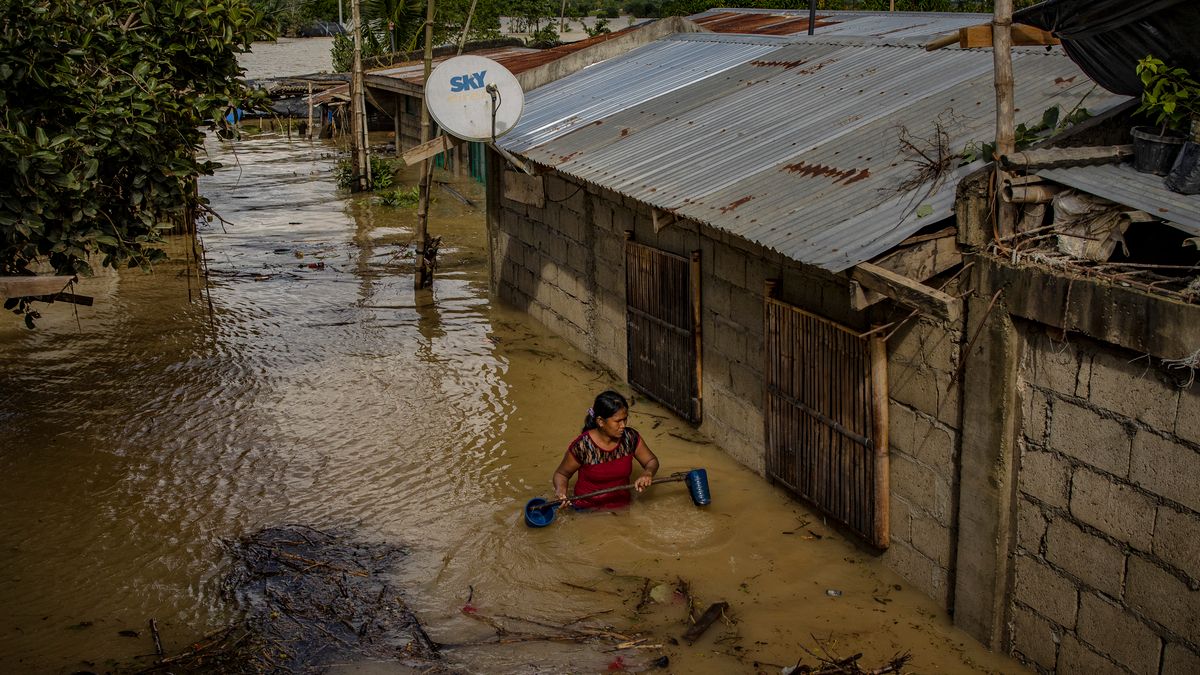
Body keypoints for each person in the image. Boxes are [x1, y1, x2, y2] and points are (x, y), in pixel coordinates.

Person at [553, 390, 659, 510]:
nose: (623, 425)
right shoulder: (583, 446)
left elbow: (651, 460)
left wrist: (648, 473)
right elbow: (561, 474)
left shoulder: (630, 438)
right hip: (586, 510)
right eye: (618, 421)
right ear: (600, 421)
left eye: (625, 419)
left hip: (622, 508)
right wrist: (561, 493)